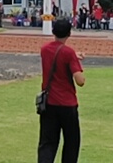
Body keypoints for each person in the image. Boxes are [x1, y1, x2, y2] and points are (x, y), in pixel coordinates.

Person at [38, 18, 85, 163]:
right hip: (67, 104)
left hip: (49, 102)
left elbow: (56, 57)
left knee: (47, 143)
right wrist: (75, 59)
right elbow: (80, 81)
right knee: (71, 142)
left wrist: (73, 56)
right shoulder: (68, 53)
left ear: (53, 31)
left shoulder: (45, 49)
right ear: (69, 33)